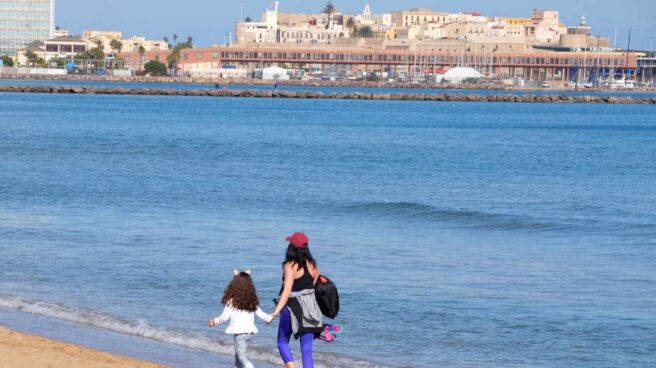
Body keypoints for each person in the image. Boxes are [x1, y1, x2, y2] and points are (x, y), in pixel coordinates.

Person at [271, 232, 324, 368]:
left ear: (292, 247)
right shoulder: (313, 265)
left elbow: (287, 291)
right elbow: (315, 289)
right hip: (311, 308)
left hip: (292, 307)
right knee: (306, 349)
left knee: (282, 342)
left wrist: (275, 312)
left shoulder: (290, 265)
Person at [209, 270, 273, 368]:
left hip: (240, 334)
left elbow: (224, 317)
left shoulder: (232, 301)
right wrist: (269, 319)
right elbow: (261, 314)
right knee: (238, 356)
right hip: (249, 333)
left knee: (241, 357)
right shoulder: (252, 301)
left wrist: (214, 321)